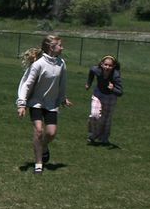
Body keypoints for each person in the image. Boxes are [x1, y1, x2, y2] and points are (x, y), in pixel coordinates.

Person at [16, 35, 72, 174]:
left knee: (51, 133)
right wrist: (22, 104)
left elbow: (62, 83)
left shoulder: (61, 63)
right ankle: (38, 163)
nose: (62, 47)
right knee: (39, 130)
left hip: (51, 104)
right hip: (36, 103)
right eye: (59, 45)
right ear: (51, 47)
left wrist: (63, 98)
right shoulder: (39, 64)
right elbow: (27, 84)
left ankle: (44, 146)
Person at [85, 55, 123, 145]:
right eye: (105, 64)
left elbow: (120, 92)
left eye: (110, 66)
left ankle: (104, 139)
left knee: (106, 119)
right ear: (101, 64)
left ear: (113, 66)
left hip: (110, 97)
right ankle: (93, 134)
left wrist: (113, 88)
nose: (107, 67)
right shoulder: (96, 70)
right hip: (98, 94)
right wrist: (89, 83)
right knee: (94, 115)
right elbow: (91, 71)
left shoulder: (116, 75)